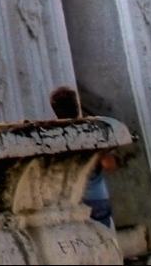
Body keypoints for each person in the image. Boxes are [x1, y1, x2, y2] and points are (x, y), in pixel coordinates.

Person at [50, 86, 115, 229]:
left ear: (54, 110)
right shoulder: (93, 131)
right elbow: (109, 164)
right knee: (104, 242)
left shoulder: (52, 136)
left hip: (68, 201)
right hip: (96, 198)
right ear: (77, 105)